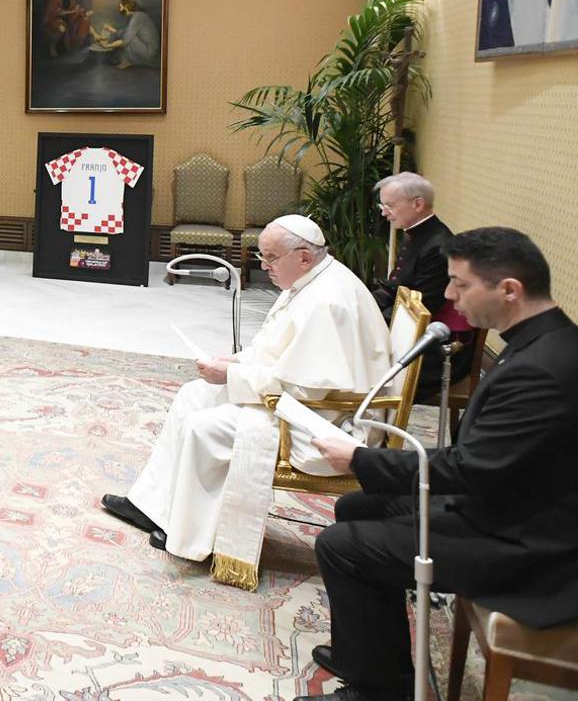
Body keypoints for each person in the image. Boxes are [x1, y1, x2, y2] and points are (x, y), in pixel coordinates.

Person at [300, 227, 578, 701]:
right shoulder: (542, 339)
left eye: (460, 285)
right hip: (504, 503)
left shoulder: (543, 369)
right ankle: (366, 654)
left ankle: (379, 689)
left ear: (509, 289)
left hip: (527, 544)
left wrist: (361, 457)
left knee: (342, 545)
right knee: (358, 508)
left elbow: (469, 469)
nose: (448, 296)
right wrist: (372, 468)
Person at [100, 215, 393, 589]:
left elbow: (312, 389)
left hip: (321, 421)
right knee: (193, 395)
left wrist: (233, 375)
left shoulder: (329, 301)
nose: (263, 265)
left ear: (303, 256)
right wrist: (236, 362)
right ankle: (154, 506)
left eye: (270, 257)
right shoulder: (312, 279)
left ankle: (194, 537)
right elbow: (282, 350)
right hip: (296, 397)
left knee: (205, 428)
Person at [370, 171, 471, 393]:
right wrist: (364, 305)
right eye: (383, 206)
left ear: (417, 204)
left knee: (356, 361)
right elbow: (397, 287)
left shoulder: (437, 246)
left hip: (433, 350)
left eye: (390, 205)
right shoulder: (418, 234)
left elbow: (421, 307)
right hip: (410, 331)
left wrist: (371, 323)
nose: (385, 213)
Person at [89, 0, 159, 68]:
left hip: (149, 52)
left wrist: (107, 46)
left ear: (125, 6)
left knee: (127, 39)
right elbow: (126, 32)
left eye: (120, 6)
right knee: (126, 33)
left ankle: (127, 61)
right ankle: (126, 61)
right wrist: (110, 29)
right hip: (146, 48)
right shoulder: (138, 15)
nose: (119, 9)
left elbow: (126, 40)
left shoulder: (137, 18)